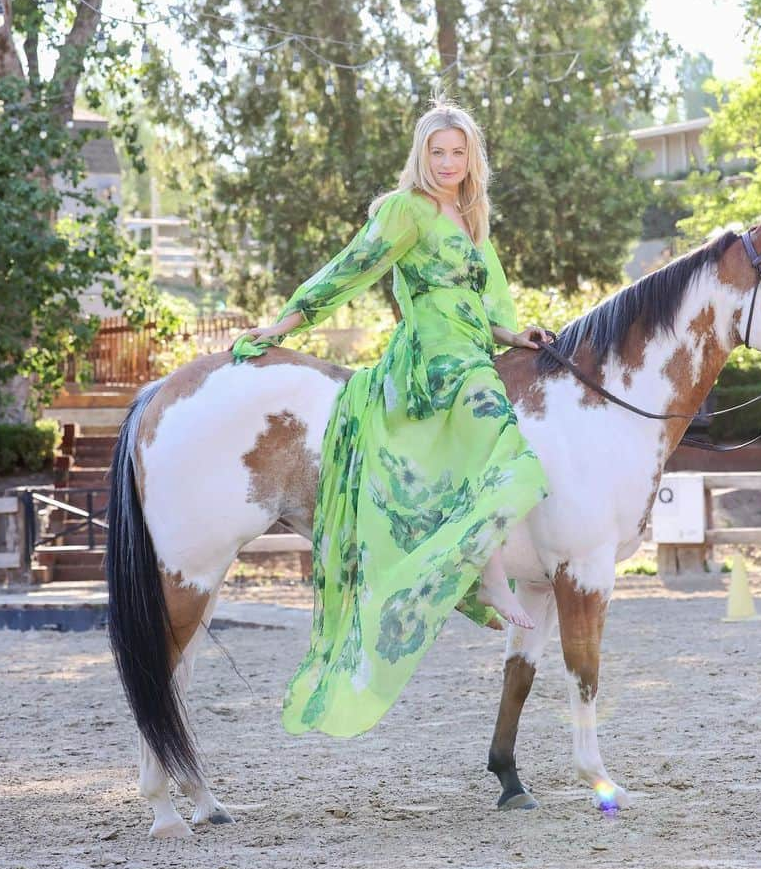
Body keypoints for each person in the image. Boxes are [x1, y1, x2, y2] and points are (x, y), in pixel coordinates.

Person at [230, 101, 553, 737]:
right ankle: (490, 579)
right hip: (431, 356)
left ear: (471, 160)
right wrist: (282, 323)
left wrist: (517, 335)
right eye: (438, 152)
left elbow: (477, 302)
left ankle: (485, 574)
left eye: (458, 153)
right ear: (421, 155)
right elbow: (348, 270)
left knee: (495, 443)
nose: (448, 163)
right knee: (500, 441)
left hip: (471, 346)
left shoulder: (468, 215)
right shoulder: (404, 210)